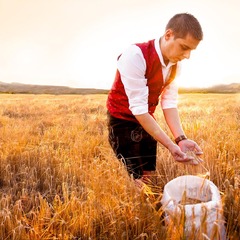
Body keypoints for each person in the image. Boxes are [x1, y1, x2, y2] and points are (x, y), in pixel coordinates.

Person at [106, 13, 203, 183]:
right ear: (168, 35)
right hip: (122, 121)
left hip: (148, 121)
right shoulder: (135, 55)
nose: (187, 56)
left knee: (148, 172)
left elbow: (169, 103)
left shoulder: (175, 65)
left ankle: (149, 204)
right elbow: (139, 110)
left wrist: (181, 139)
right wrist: (171, 147)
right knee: (135, 180)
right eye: (184, 47)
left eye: (191, 50)